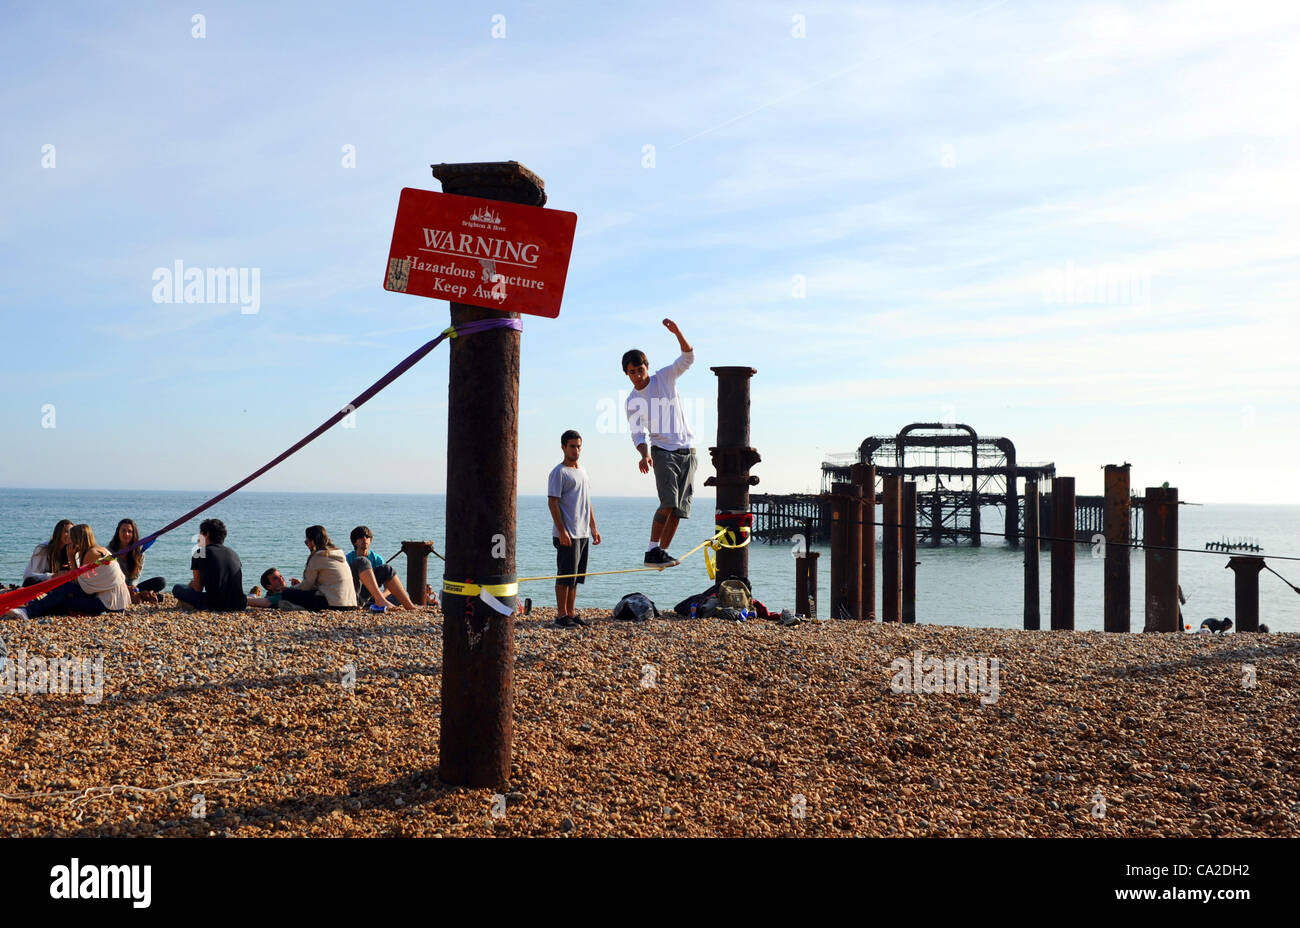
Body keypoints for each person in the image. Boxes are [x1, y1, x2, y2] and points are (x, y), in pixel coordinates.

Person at [623, 318, 696, 565]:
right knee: (667, 503)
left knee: (678, 510)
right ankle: (652, 549)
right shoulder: (632, 400)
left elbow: (688, 358)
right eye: (631, 372)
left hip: (687, 451)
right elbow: (637, 433)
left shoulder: (664, 377)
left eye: (639, 369)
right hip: (662, 450)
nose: (636, 375)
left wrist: (677, 332)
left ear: (647, 366)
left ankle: (660, 553)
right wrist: (644, 454)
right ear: (627, 373)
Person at [9, 524, 130, 619]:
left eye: (72, 539)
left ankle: (29, 612)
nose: (69, 542)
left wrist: (71, 557)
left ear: (78, 540)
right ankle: (30, 610)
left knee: (65, 592)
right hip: (119, 602)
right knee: (63, 597)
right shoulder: (101, 549)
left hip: (109, 603)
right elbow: (84, 582)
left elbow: (77, 580)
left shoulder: (91, 553)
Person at [547, 430, 600, 628]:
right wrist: (562, 531)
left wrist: (593, 527)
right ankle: (561, 615)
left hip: (582, 533)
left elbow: (587, 501)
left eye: (578, 446)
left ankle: (570, 612)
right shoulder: (559, 472)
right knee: (565, 575)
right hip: (567, 533)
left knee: (576, 577)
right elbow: (553, 502)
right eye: (572, 446)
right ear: (563, 447)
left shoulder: (583, 472)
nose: (576, 450)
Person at [173, 518, 247, 612]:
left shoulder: (200, 553)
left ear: (206, 535)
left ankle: (191, 605)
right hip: (239, 604)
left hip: (215, 604)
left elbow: (198, 588)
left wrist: (191, 584)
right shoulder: (233, 553)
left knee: (177, 588)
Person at [278, 526, 358, 611]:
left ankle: (298, 607)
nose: (307, 545)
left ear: (313, 542)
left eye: (307, 542)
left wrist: (291, 588)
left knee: (286, 593)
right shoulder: (338, 555)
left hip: (333, 604)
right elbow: (328, 583)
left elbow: (307, 586)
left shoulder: (318, 557)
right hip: (350, 603)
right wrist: (300, 584)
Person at [346, 527, 420, 611]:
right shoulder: (348, 559)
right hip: (356, 594)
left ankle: (411, 608)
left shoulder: (377, 559)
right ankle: (369, 605)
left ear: (370, 540)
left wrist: (382, 596)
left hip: (375, 596)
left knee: (403, 594)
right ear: (354, 542)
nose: (364, 539)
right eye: (360, 536)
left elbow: (388, 586)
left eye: (367, 536)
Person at [108, 518, 166, 604]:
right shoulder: (110, 551)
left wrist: (133, 588)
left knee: (161, 581)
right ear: (118, 532)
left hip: (131, 586)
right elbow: (109, 577)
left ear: (133, 534)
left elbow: (136, 577)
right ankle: (141, 597)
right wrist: (126, 587)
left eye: (129, 531)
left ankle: (137, 596)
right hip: (115, 587)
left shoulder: (139, 552)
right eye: (123, 530)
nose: (126, 534)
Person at [22, 519, 73, 586]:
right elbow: (28, 575)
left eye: (71, 532)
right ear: (58, 533)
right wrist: (53, 576)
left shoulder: (71, 549)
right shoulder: (43, 549)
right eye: (66, 532)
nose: (69, 535)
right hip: (41, 584)